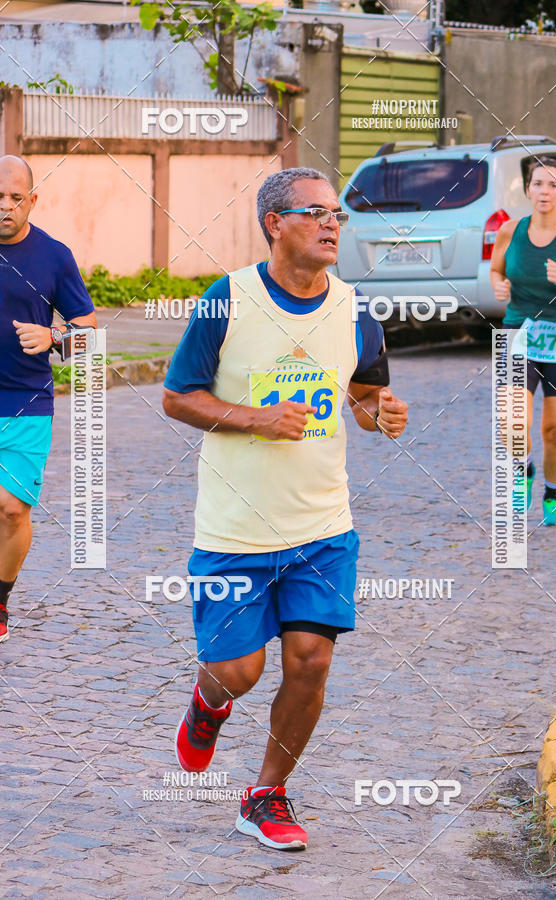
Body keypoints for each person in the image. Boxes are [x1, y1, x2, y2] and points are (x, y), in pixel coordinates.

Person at [163, 167, 408, 850]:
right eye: (317, 212)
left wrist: (380, 413)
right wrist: (254, 418)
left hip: (322, 527)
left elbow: (359, 397)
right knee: (239, 671)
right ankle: (209, 702)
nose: (334, 224)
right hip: (235, 528)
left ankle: (266, 795)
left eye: (339, 215)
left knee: (311, 661)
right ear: (275, 223)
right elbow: (178, 395)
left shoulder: (357, 309)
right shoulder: (227, 300)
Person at [0, 155, 96, 642]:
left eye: (16, 198)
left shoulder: (54, 256)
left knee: (12, 509)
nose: (6, 207)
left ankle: (0, 601)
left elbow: (90, 336)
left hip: (25, 401)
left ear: (32, 201)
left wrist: (55, 336)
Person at [490, 155, 556, 526]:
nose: (545, 191)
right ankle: (522, 471)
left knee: (555, 430)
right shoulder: (511, 231)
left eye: (553, 184)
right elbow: (495, 269)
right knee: (511, 421)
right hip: (518, 332)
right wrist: (499, 286)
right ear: (527, 189)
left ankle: (552, 494)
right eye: (538, 183)